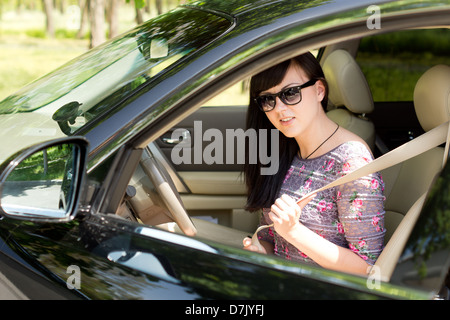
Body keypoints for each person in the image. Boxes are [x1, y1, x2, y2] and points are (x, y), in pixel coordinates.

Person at [242, 52, 385, 276]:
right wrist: (262, 252)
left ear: (319, 90)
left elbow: (369, 270)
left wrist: (294, 232)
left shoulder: (352, 161)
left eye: (290, 93)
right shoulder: (283, 150)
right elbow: (270, 237)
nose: (279, 108)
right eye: (268, 99)